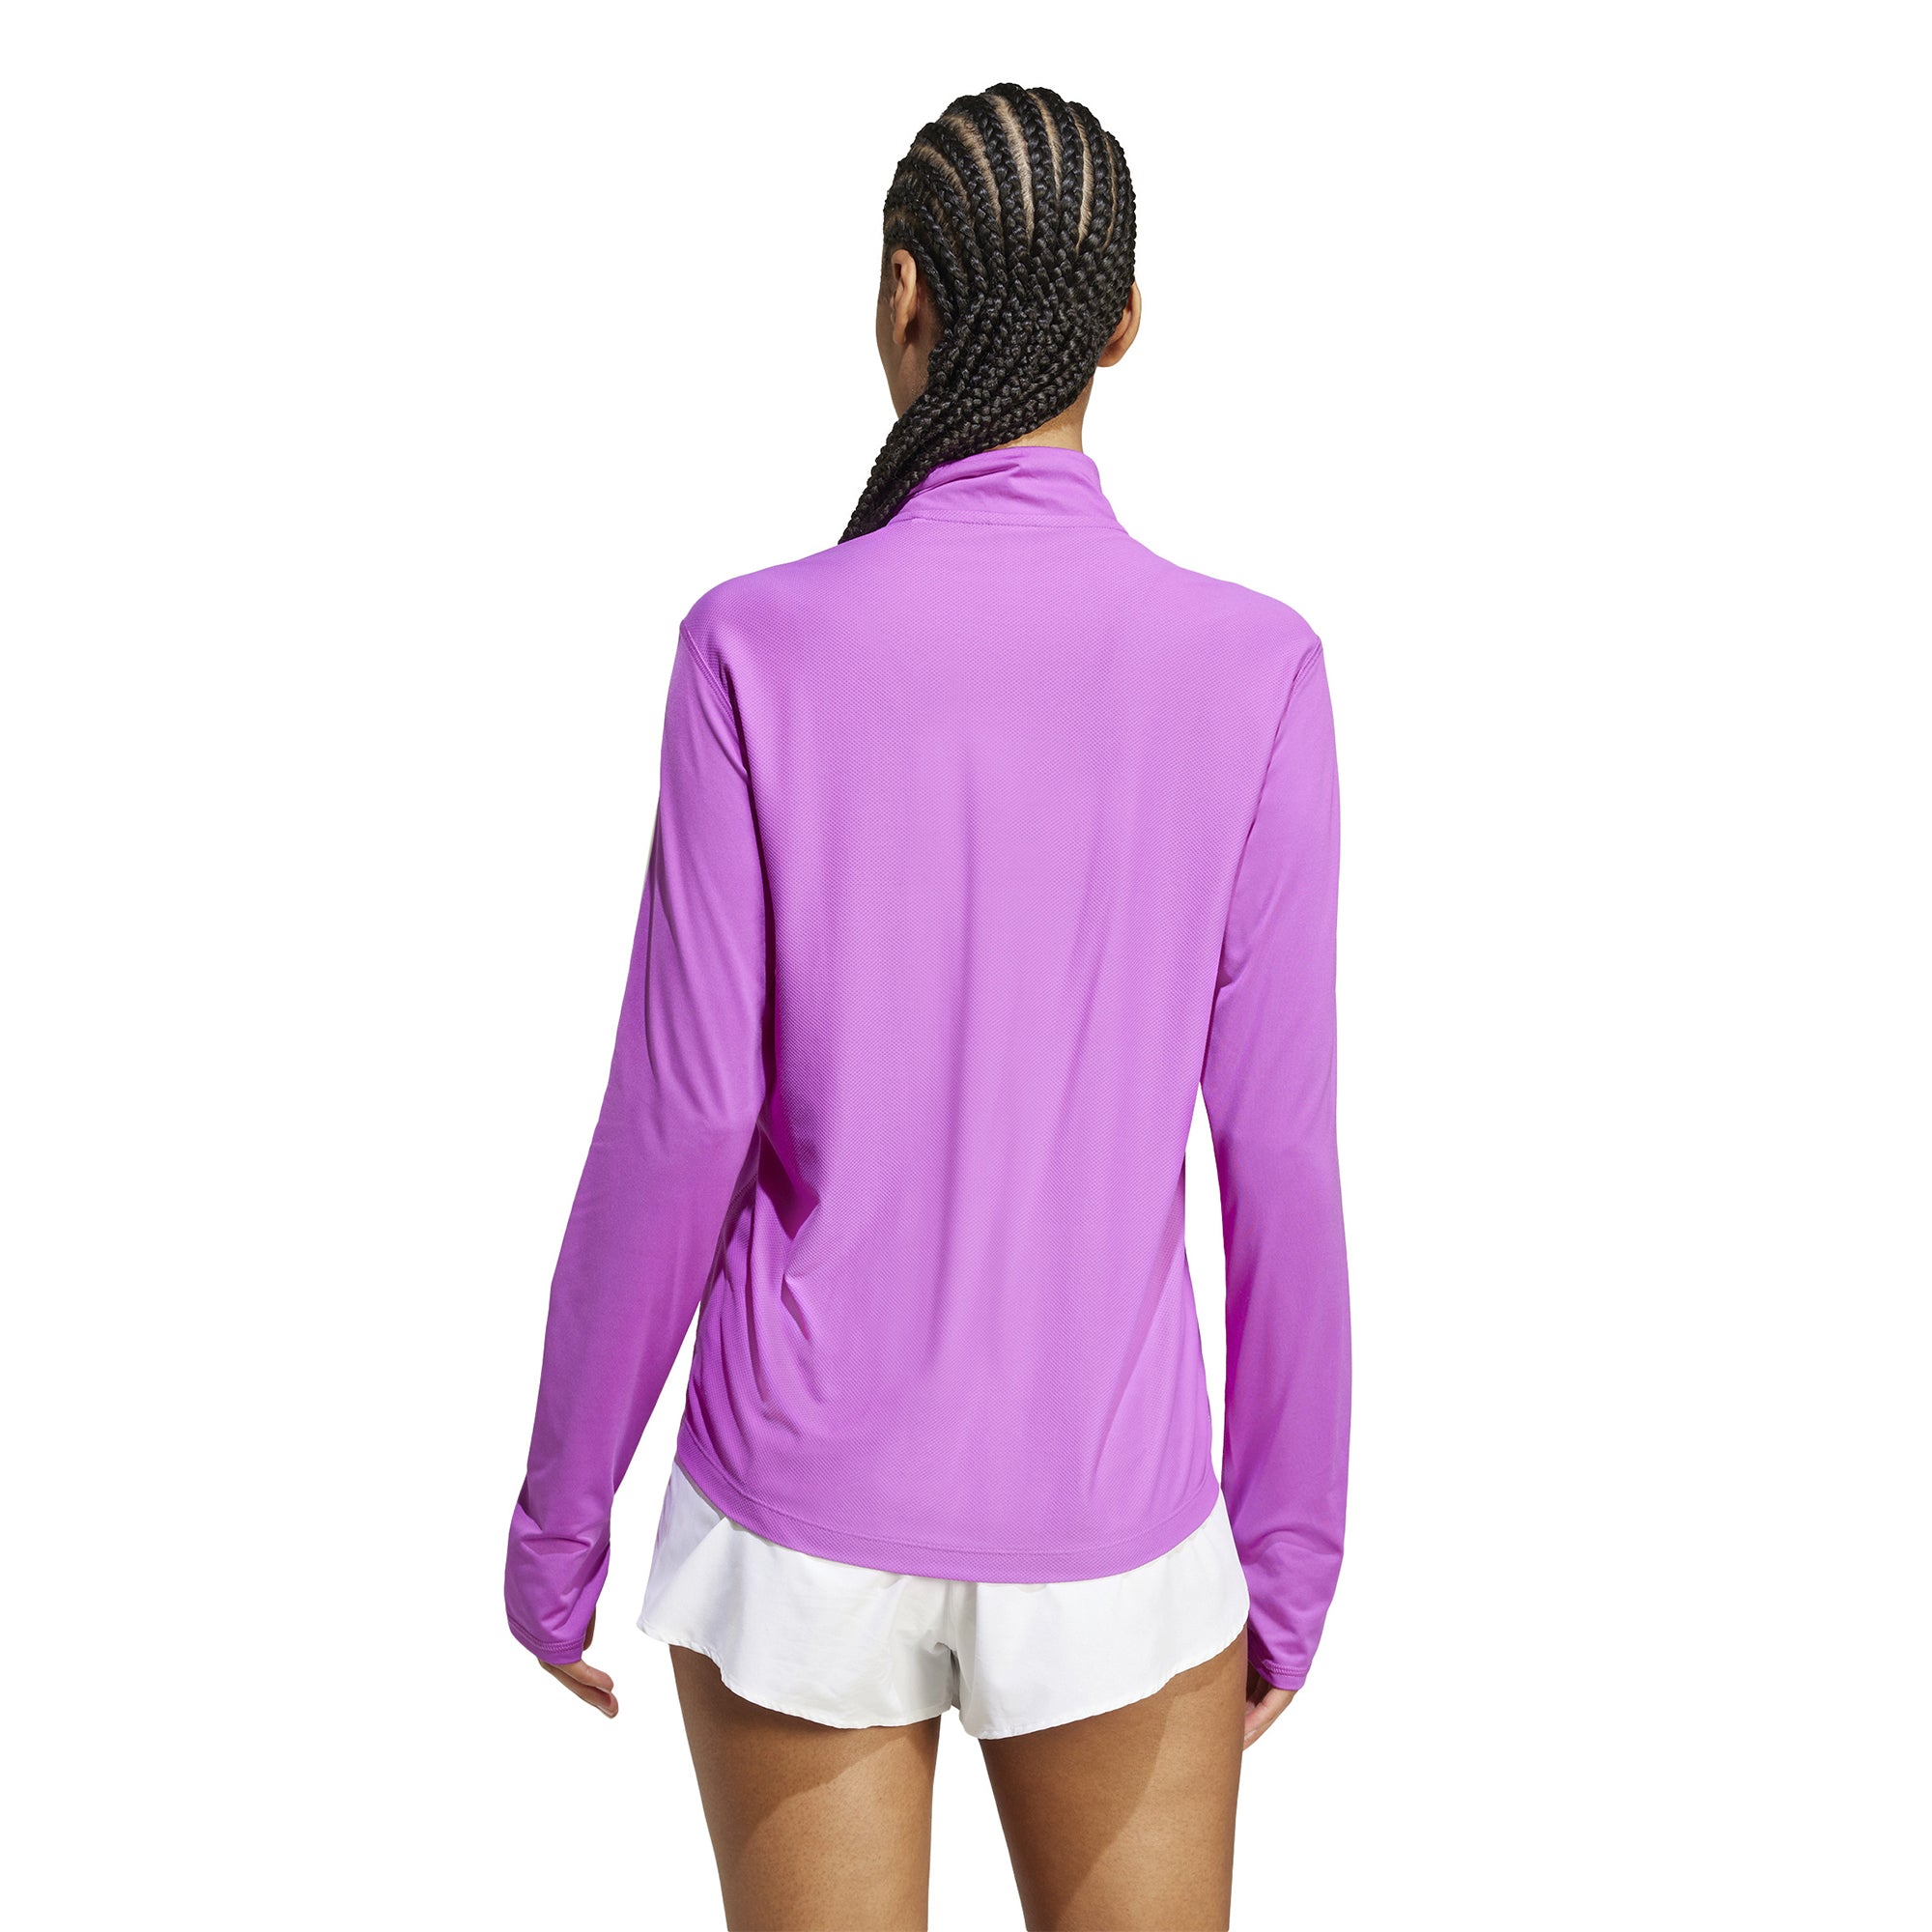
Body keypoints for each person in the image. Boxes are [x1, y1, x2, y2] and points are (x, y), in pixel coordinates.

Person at [504, 83, 1350, 1932]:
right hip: (1114, 1527)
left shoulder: (753, 644)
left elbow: (678, 1123)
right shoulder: (1257, 669)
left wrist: (562, 1518)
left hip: (795, 1521)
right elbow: (1276, 1150)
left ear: (904, 296)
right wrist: (1288, 1560)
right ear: (1125, 325)